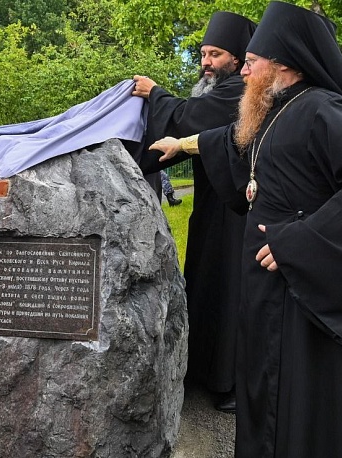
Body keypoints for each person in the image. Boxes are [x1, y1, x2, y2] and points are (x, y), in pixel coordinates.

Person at [149, 2, 342, 456]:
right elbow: (230, 142)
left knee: (304, 400)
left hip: (308, 293)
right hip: (269, 290)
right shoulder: (275, 112)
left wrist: (299, 241)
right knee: (265, 391)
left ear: (282, 64)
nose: (244, 71)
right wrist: (182, 142)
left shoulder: (325, 110)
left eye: (251, 63)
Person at [131, 11, 256, 412]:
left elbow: (186, 118)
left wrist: (154, 93)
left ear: (236, 59)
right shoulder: (219, 88)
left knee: (228, 288)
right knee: (205, 282)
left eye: (215, 54)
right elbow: (186, 133)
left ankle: (227, 381)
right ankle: (204, 370)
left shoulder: (238, 89)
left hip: (236, 213)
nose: (206, 62)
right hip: (211, 206)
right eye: (203, 53)